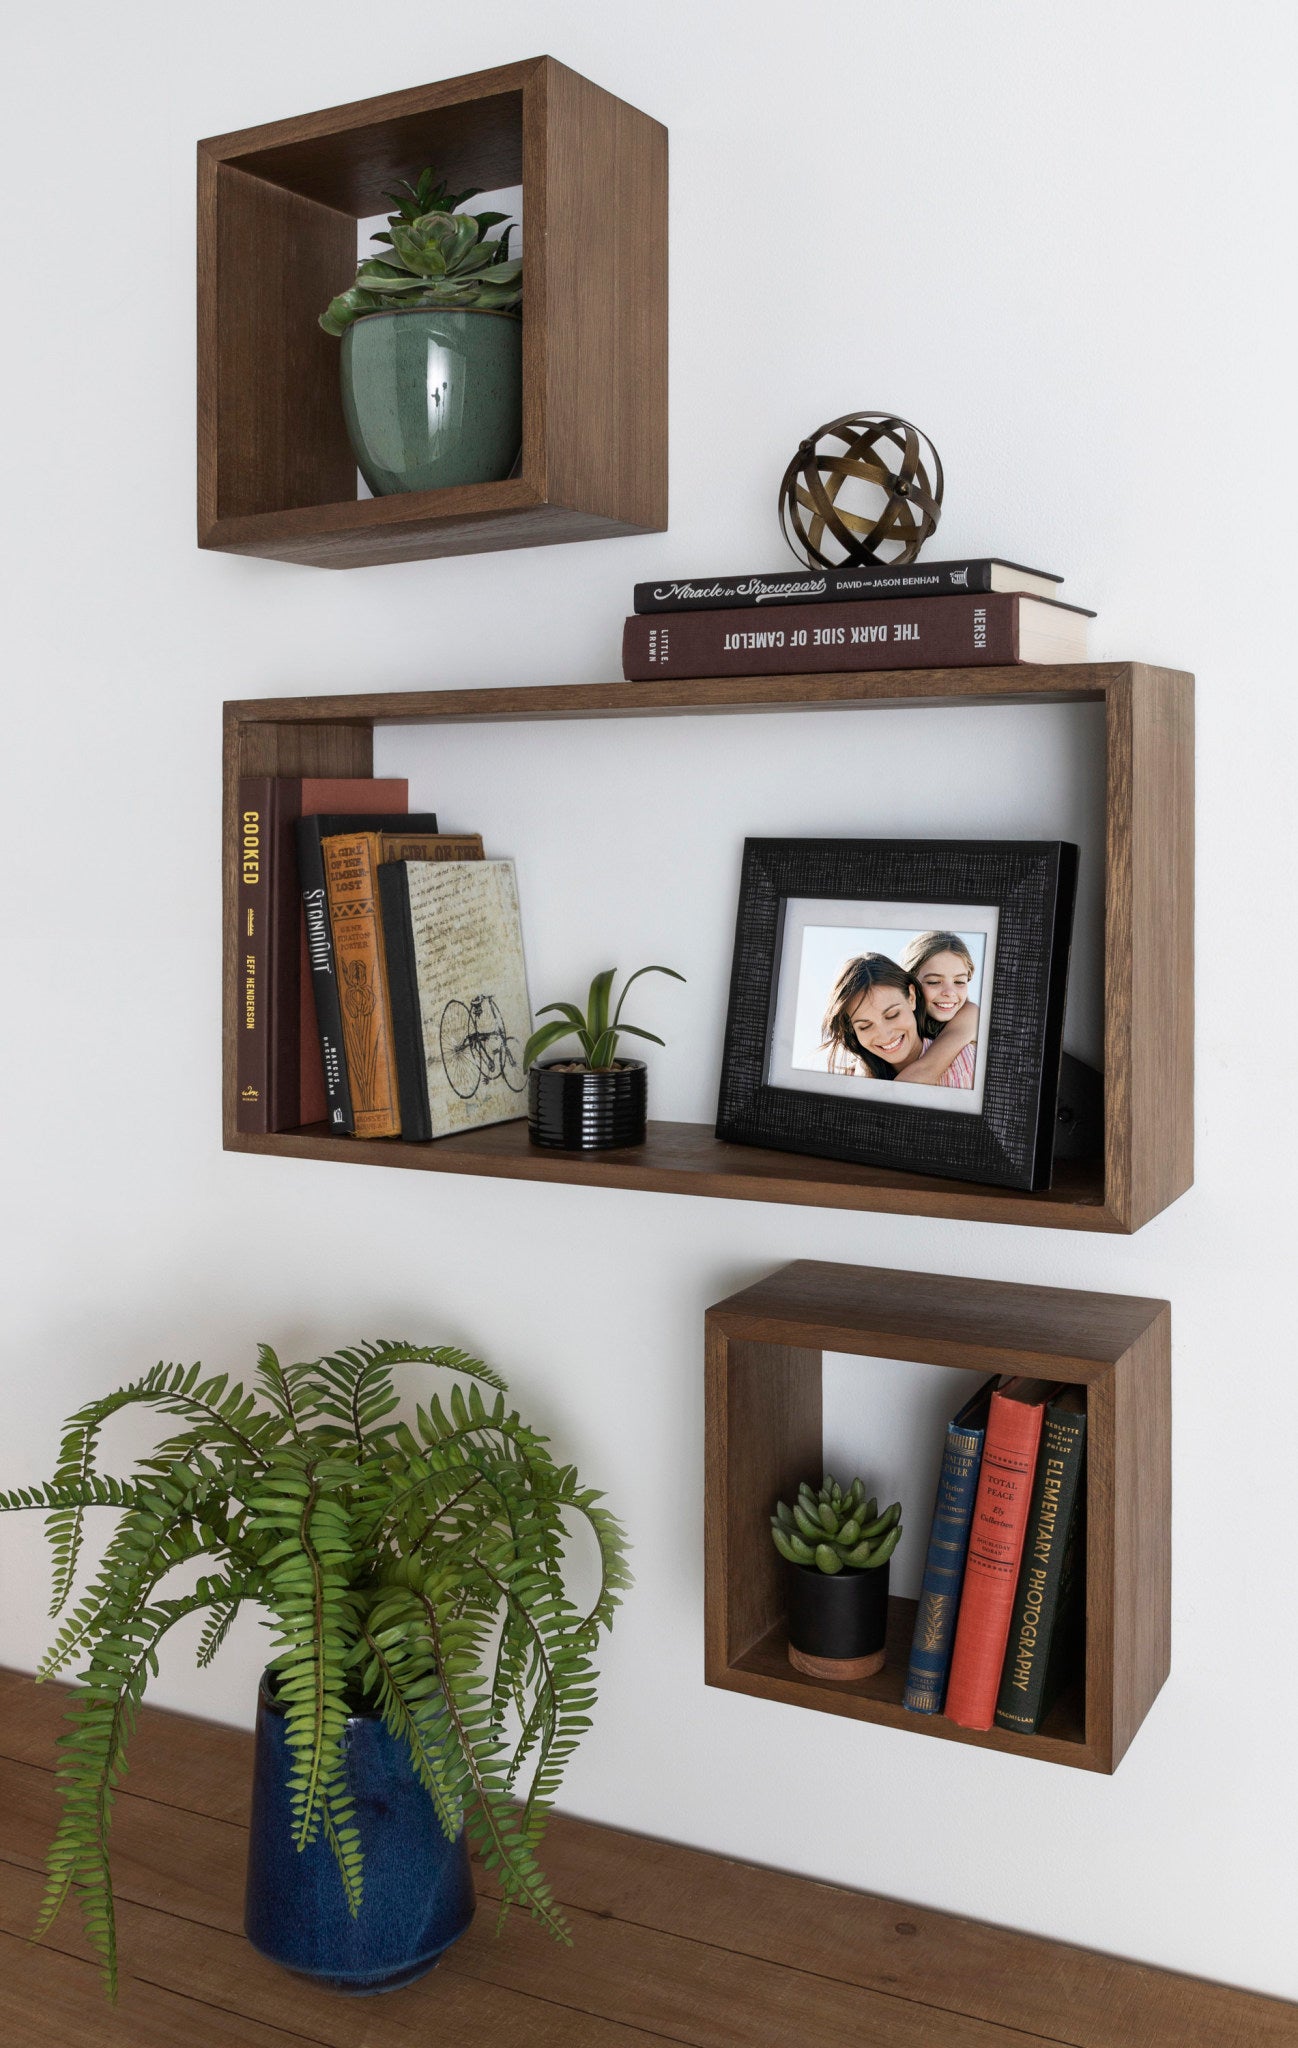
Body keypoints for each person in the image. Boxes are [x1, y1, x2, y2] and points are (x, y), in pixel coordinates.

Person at [819, 950, 975, 1088]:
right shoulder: (847, 1080)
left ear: (912, 997)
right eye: (865, 1026)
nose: (885, 1035)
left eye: (892, 1015)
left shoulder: (965, 1066)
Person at [900, 930, 980, 1088]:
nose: (950, 993)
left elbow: (925, 1070)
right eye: (934, 982)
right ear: (910, 985)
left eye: (959, 982)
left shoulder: (970, 1014)